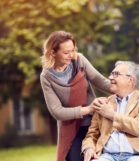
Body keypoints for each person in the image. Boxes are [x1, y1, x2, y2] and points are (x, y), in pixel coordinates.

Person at [40, 31, 111, 161]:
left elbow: (101, 81)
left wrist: (131, 91)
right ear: (53, 52)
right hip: (70, 129)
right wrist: (88, 109)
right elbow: (57, 112)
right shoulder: (46, 77)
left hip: (93, 123)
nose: (71, 55)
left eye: (72, 50)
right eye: (66, 53)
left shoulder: (79, 61)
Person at [82, 61, 139, 161]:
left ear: (130, 80)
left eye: (116, 74)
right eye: (111, 74)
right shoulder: (103, 103)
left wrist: (112, 115)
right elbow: (92, 135)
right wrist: (89, 148)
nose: (110, 77)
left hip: (136, 156)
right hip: (107, 156)